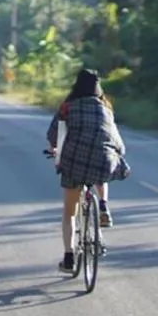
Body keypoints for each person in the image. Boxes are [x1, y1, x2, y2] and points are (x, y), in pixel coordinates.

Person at [45, 68, 130, 273]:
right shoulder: (105, 108)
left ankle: (68, 258)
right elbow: (118, 143)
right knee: (101, 167)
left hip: (74, 161)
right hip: (104, 162)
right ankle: (102, 205)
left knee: (69, 212)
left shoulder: (68, 107)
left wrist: (55, 150)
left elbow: (53, 134)